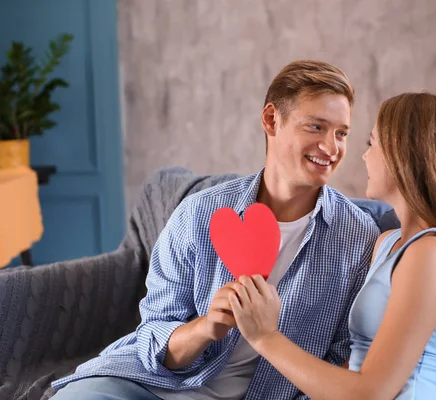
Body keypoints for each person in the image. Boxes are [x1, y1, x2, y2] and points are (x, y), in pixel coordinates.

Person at [51, 60, 380, 399]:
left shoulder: (357, 238)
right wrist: (207, 327)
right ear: (271, 120)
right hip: (156, 386)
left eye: (342, 133)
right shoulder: (199, 213)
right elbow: (153, 339)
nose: (331, 147)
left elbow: (346, 360)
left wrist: (268, 336)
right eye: (315, 127)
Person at [228, 92, 436, 399]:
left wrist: (266, 337)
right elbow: (354, 370)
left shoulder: (433, 256)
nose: (363, 156)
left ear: (405, 156)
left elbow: (370, 394)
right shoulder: (387, 243)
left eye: (372, 144)